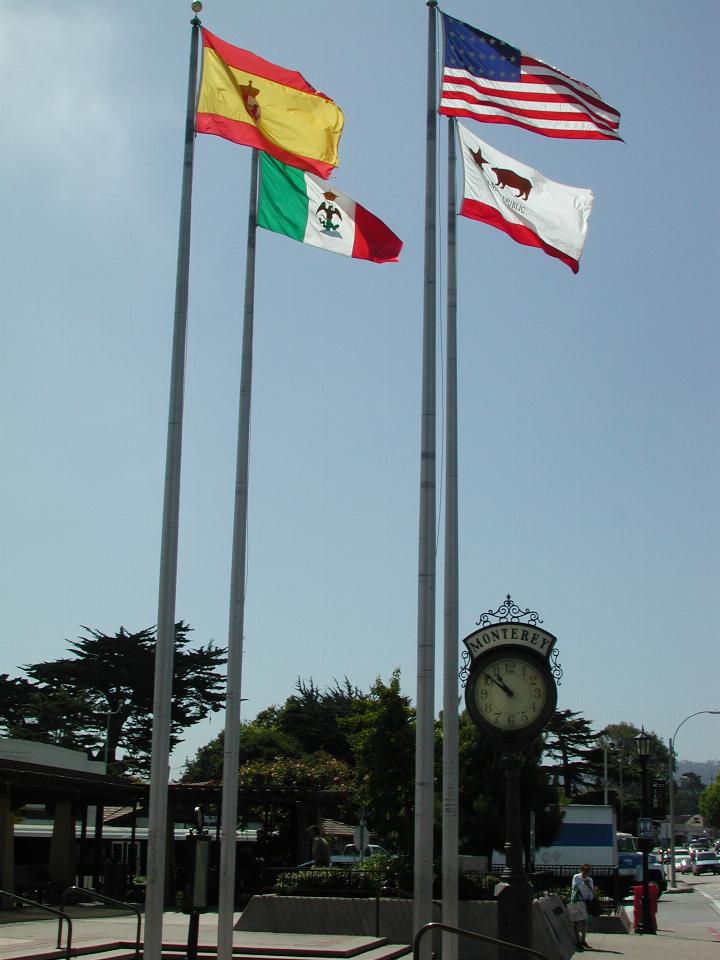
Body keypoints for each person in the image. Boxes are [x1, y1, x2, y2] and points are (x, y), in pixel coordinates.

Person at [570, 863, 595, 951]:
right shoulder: (576, 877)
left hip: (585, 902)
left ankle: (583, 940)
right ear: (581, 870)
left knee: (585, 922)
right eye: (584, 871)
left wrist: (591, 900)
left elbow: (591, 891)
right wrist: (584, 882)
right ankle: (578, 941)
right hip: (577, 902)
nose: (585, 873)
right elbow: (575, 887)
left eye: (587, 871)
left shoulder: (590, 880)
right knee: (577, 922)